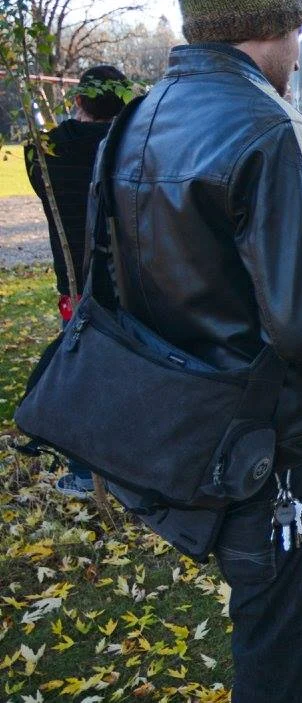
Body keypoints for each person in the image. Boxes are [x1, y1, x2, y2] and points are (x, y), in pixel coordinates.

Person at [103, 0, 302, 701]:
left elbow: (154, 276)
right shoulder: (269, 123)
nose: (298, 53)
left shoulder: (138, 117)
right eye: (296, 32)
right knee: (276, 651)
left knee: (261, 622)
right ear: (272, 25)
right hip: (270, 443)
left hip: (178, 425)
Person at [24, 64, 129, 499]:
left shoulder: (46, 151)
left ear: (80, 101)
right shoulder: (133, 145)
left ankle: (88, 474)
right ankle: (115, 473)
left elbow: (41, 171)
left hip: (76, 285)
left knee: (82, 378)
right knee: (133, 375)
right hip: (128, 284)